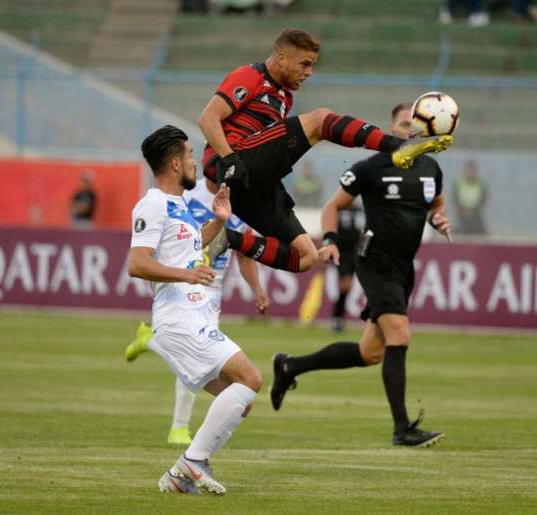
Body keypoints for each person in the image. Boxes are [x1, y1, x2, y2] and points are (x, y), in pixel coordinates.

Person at [197, 27, 453, 275]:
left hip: (251, 181)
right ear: (282, 57)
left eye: (313, 65)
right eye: (305, 64)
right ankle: (396, 146)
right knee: (320, 119)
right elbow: (207, 119)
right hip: (234, 162)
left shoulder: (284, 97)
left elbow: (270, 144)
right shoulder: (251, 76)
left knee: (306, 257)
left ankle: (227, 238)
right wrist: (229, 158)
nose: (309, 72)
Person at [269, 103, 452, 447]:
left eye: (414, 126)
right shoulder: (371, 167)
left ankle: (290, 367)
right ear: (390, 128)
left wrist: (438, 219)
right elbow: (332, 206)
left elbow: (436, 204)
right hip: (375, 261)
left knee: (371, 353)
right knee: (400, 334)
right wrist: (332, 240)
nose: (409, 131)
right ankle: (402, 429)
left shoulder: (430, 168)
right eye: (403, 124)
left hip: (403, 267)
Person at [128, 125, 262, 496]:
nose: (194, 162)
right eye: (189, 156)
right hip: (179, 320)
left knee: (240, 402)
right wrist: (186, 275)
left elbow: (188, 245)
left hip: (194, 317)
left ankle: (177, 477)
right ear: (174, 162)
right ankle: (193, 461)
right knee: (250, 379)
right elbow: (137, 263)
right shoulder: (152, 204)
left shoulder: (179, 205)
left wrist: (218, 221)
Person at [124, 176, 269, 446]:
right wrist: (165, 282)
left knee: (207, 365)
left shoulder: (241, 204)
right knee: (203, 362)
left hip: (212, 288)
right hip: (187, 287)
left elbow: (244, 253)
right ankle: (180, 428)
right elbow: (162, 246)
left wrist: (257, 289)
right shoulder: (185, 198)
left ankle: (152, 341)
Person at [328, 201, 365, 332]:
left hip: (354, 253)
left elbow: (362, 231)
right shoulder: (337, 207)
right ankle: (336, 318)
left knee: (348, 288)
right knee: (345, 286)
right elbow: (330, 227)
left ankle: (338, 318)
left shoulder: (359, 210)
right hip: (341, 253)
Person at [452, 160, 487, 235]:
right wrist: (463, 210)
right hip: (462, 215)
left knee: (482, 233)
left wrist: (473, 211)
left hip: (476, 214)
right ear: (465, 171)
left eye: (473, 171)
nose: (471, 173)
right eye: (469, 170)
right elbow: (455, 199)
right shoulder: (459, 183)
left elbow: (482, 200)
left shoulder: (481, 184)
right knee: (459, 231)